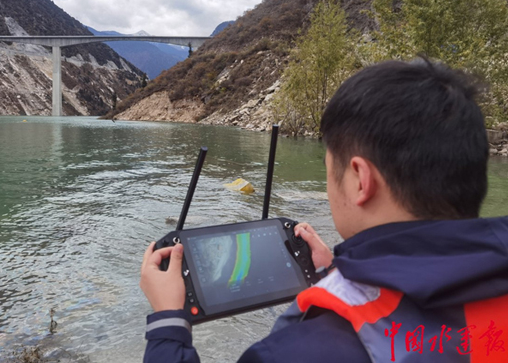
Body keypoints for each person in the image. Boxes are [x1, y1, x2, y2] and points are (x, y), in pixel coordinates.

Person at [139, 59, 508, 362]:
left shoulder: (296, 353)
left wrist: (168, 325)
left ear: (360, 180)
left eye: (329, 168)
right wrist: (338, 276)